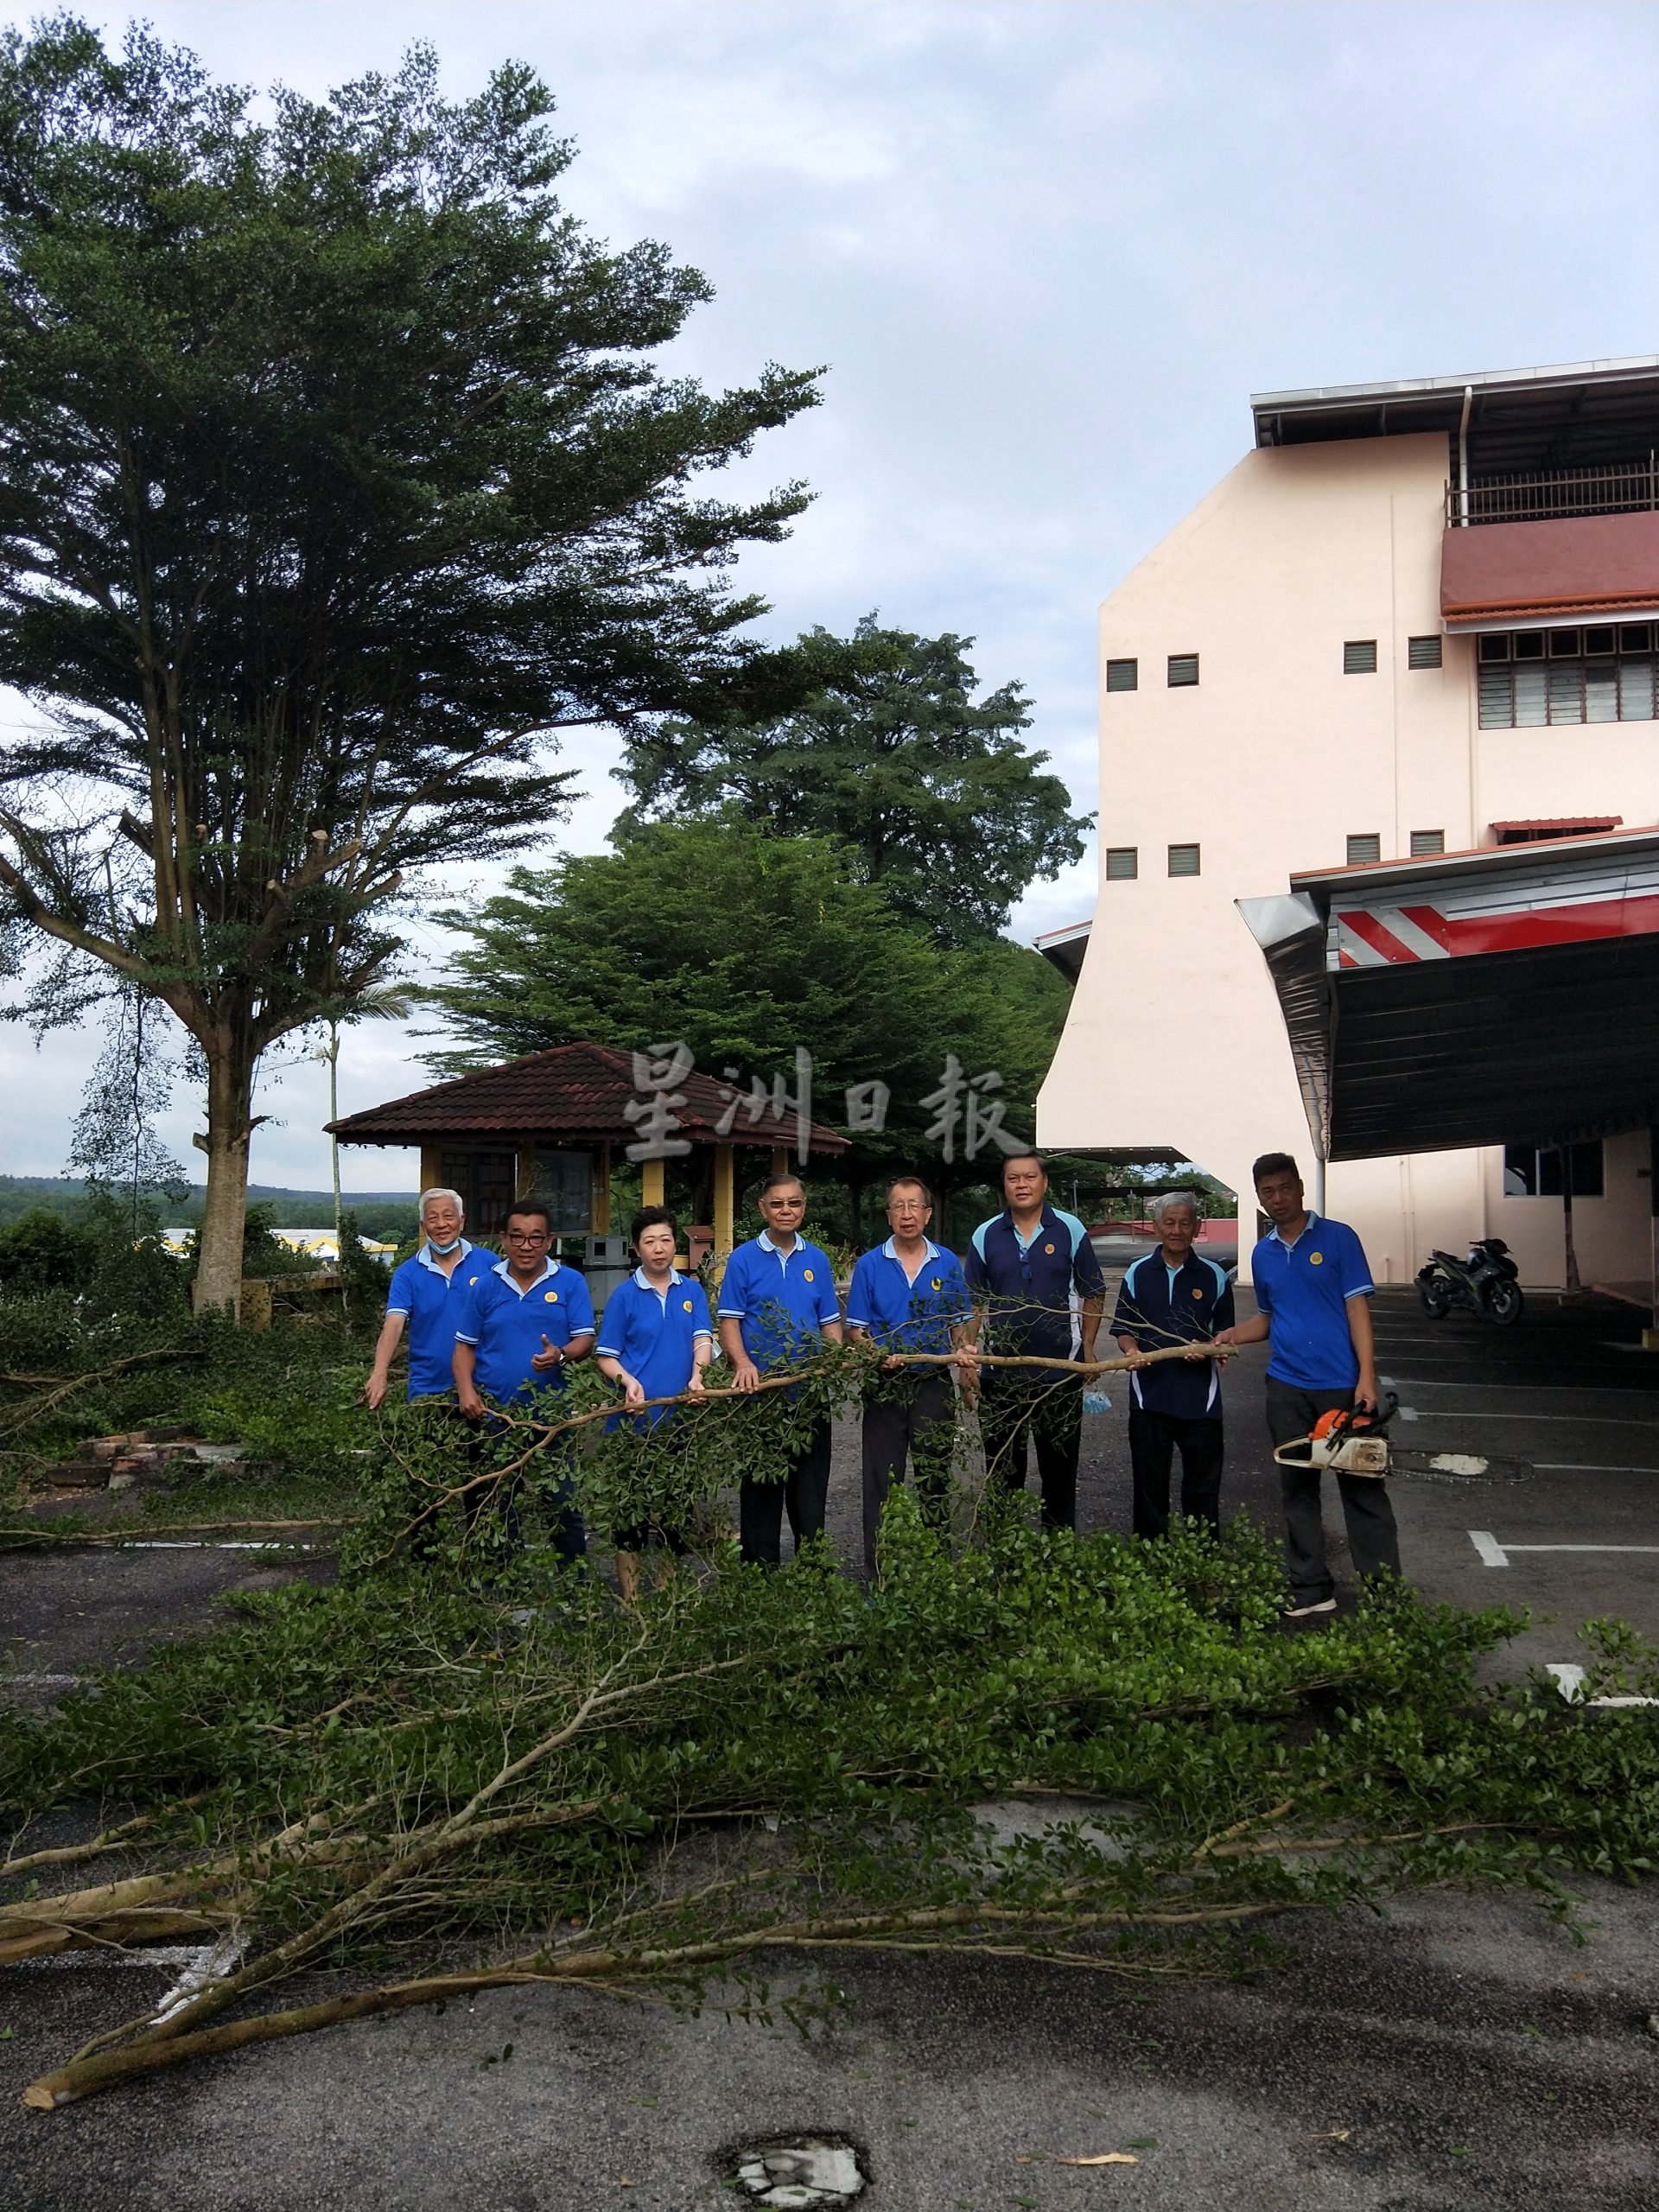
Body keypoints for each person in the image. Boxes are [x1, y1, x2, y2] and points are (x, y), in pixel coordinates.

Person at [1213, 1152, 1401, 1617]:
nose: (1277, 1199)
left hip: (1342, 1388)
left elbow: (1358, 1310)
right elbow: (1269, 1319)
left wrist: (1366, 1377)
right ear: (1259, 1198)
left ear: (1300, 1187)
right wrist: (1233, 1335)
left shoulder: (1338, 1239)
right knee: (1297, 1491)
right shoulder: (1264, 1253)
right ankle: (1312, 1587)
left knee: (1363, 1491)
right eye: (1267, 1192)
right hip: (1286, 1389)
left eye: (1284, 1188)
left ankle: (1384, 1594)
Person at [963, 1152, 1106, 1532]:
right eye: (1013, 1178)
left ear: (1045, 1184)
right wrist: (967, 1359)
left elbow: (1094, 1292)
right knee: (1003, 1474)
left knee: (1059, 1475)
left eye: (1029, 1177)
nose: (1022, 1185)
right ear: (1004, 1185)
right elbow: (973, 1302)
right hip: (1000, 1375)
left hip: (1059, 1373)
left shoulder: (1070, 1229)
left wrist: (1088, 1348)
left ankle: (1055, 1559)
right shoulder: (986, 1234)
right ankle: (1004, 1563)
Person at [844, 1176, 976, 1575]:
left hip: (933, 1383)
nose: (907, 1214)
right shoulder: (870, 1264)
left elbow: (961, 1322)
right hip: (885, 1384)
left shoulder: (947, 1262)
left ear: (928, 1213)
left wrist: (966, 1350)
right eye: (898, 1206)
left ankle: (935, 1569)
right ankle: (881, 1573)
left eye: (915, 1205)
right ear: (888, 1215)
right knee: (882, 1480)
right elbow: (856, 1330)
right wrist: (876, 1354)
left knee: (935, 1476)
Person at [452, 1201, 595, 1564]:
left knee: (562, 1499)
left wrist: (560, 1354)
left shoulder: (569, 1282)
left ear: (549, 1241)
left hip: (552, 1415)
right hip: (493, 1415)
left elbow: (585, 1340)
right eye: (517, 1237)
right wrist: (467, 1392)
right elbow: (464, 1348)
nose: (526, 1245)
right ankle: (502, 1584)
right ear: (503, 1239)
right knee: (496, 1500)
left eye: (535, 1238)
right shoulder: (485, 1287)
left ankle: (572, 1583)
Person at [716, 1172, 844, 1567]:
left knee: (809, 1494)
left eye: (794, 1203)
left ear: (803, 1208)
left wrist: (832, 1360)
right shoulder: (742, 1259)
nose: (786, 1210)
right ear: (763, 1208)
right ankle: (759, 1576)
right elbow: (729, 1321)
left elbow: (830, 1323)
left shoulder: (816, 1260)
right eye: (777, 1203)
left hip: (808, 1393)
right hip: (761, 1397)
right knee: (760, 1492)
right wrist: (742, 1363)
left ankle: (813, 1573)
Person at [594, 1205, 714, 1601]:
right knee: (631, 1517)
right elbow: (606, 1355)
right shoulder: (625, 1297)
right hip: (632, 1426)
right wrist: (627, 1382)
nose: (659, 1248)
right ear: (636, 1249)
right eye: (650, 1242)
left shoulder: (691, 1291)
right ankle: (632, 1602)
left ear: (674, 1244)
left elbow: (702, 1340)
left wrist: (698, 1376)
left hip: (679, 1423)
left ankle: (666, 1596)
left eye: (665, 1240)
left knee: (675, 1516)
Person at [1111, 1191, 1234, 1540]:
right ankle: (1152, 1562)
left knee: (1203, 1490)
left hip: (1201, 1401)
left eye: (1185, 1223)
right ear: (1156, 1227)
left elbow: (1225, 1333)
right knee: (1149, 1488)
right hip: (1149, 1398)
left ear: (1196, 1227)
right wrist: (1132, 1350)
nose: (1177, 1230)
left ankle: (1202, 1562)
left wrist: (1210, 1349)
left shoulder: (1214, 1276)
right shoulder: (1137, 1272)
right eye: (1170, 1222)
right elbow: (1123, 1329)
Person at [364, 1187, 476, 1409]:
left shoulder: (489, 1265)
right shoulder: (407, 1274)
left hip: (482, 1385)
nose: (441, 1224)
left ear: (461, 1221)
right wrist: (379, 1372)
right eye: (432, 1218)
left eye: (448, 1216)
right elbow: (394, 1325)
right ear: (424, 1226)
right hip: (428, 1389)